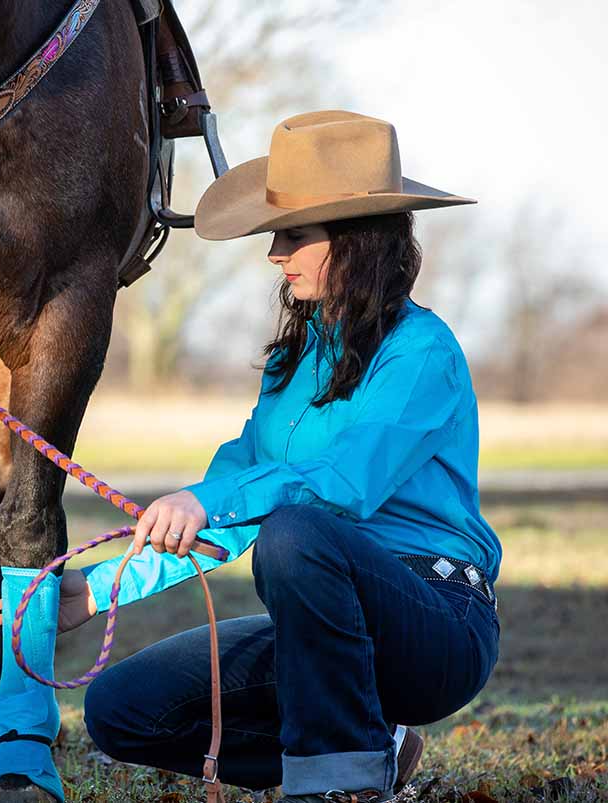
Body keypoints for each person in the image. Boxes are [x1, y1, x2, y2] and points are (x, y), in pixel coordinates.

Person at [55, 111, 500, 803]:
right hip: (325, 622)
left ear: (356, 240)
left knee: (295, 535)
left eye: (293, 236)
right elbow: (234, 498)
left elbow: (338, 488)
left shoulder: (423, 353)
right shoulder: (292, 365)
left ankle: (343, 785)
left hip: (437, 624)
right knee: (121, 708)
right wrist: (105, 587)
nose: (274, 255)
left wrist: (212, 499)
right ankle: (370, 741)